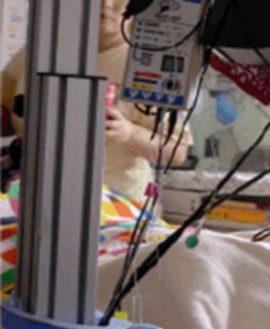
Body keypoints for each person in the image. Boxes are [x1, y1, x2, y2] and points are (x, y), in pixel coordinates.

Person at [0, 0, 192, 200]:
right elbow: (6, 113)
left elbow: (177, 152)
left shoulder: (149, 65)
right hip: (35, 195)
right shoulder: (40, 50)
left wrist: (129, 133)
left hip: (113, 204)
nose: (105, 4)